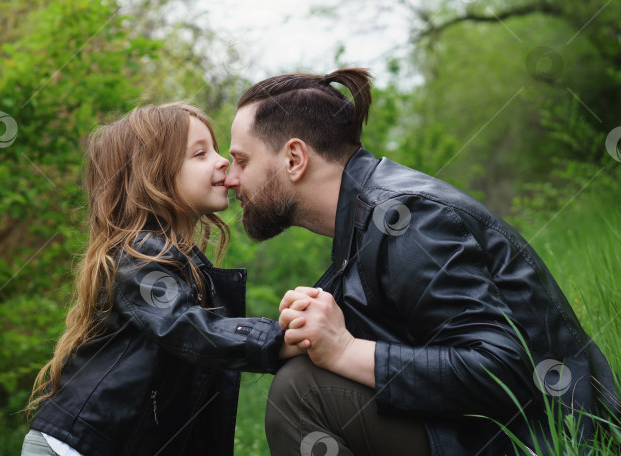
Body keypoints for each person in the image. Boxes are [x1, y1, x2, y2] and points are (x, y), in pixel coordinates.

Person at [224, 68, 620, 456]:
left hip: (547, 436)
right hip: (490, 431)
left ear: (294, 158)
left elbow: (502, 369)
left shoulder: (405, 219)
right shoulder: (365, 223)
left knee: (301, 392)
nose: (230, 178)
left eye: (241, 160)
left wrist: (344, 350)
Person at [22, 103, 301, 456]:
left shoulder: (181, 264)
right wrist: (276, 339)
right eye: (200, 153)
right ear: (153, 176)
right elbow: (187, 327)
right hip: (75, 447)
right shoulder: (138, 256)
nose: (222, 160)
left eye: (215, 149)